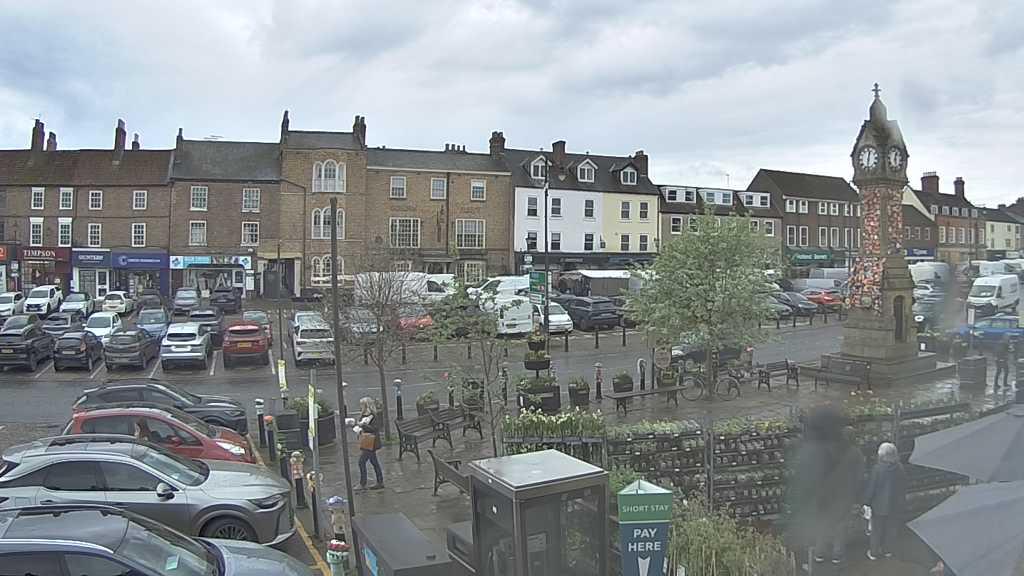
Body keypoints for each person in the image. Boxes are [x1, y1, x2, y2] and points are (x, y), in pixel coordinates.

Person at [815, 427, 865, 565]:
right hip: (845, 496)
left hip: (827, 495)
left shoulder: (830, 449)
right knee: (841, 526)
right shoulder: (856, 453)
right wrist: (858, 498)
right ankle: (837, 555)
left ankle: (819, 553)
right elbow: (860, 478)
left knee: (824, 524)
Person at [863, 442, 907, 560]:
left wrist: (866, 502)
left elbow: (871, 488)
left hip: (879, 506)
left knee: (876, 530)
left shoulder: (877, 469)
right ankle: (888, 551)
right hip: (895, 506)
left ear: (881, 455)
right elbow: (903, 487)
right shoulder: (900, 468)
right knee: (891, 529)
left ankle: (874, 553)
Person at [351, 397, 384, 491]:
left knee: (361, 462)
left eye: (362, 405)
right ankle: (380, 482)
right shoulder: (363, 415)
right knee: (374, 462)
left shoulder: (373, 416)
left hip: (371, 442)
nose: (360, 406)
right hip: (366, 441)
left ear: (366, 405)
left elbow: (375, 429)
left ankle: (363, 483)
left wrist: (363, 425)